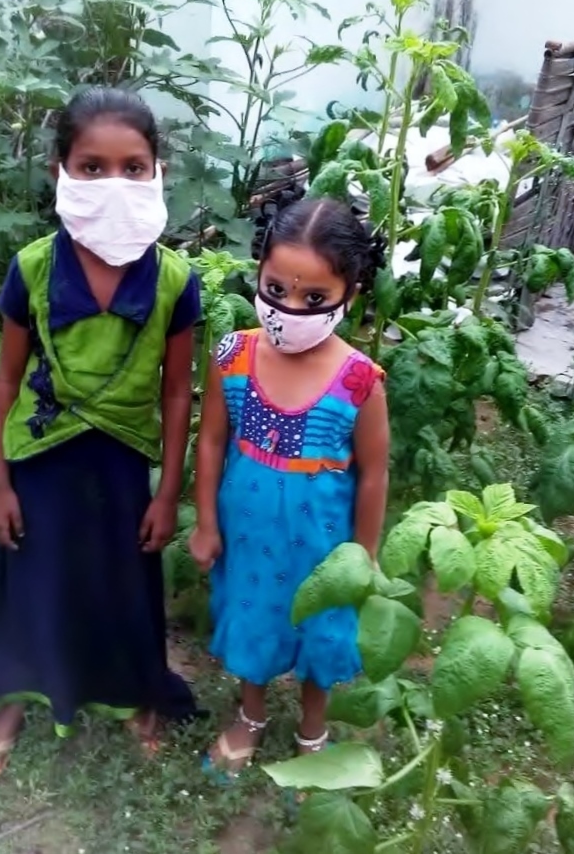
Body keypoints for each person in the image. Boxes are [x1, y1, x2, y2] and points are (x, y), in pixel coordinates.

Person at [0, 86, 202, 781]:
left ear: (157, 173)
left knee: (123, 584)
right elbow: (8, 380)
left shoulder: (174, 281)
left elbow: (176, 390)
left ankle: (134, 695)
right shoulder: (34, 268)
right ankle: (12, 701)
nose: (114, 183)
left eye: (133, 167)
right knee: (32, 582)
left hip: (122, 468)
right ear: (60, 171)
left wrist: (168, 493)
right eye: (92, 167)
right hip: (41, 460)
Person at [188, 196, 391, 775]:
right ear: (259, 270)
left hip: (321, 540)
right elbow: (211, 441)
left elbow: (374, 473)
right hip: (248, 531)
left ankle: (312, 731)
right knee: (252, 615)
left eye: (315, 299)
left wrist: (365, 555)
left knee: (320, 628)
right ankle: (250, 717)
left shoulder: (359, 382)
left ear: (352, 293)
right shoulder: (232, 356)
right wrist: (205, 522)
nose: (290, 309)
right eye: (276, 289)